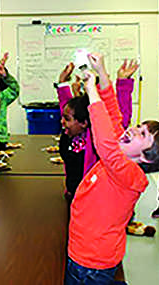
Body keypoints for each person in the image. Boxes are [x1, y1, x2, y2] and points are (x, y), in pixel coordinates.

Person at [64, 52, 159, 284]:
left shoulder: (129, 174)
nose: (132, 129)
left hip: (91, 263)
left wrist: (91, 90)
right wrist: (102, 72)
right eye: (139, 126)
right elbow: (112, 114)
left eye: (141, 134)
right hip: (80, 250)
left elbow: (104, 143)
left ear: (146, 157)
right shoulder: (121, 157)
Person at [57, 59, 138, 202]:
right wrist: (62, 82)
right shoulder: (70, 133)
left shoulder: (95, 138)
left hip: (94, 199)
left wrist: (123, 82)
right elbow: (68, 107)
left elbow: (120, 117)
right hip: (74, 197)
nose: (62, 122)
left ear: (83, 123)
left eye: (67, 119)